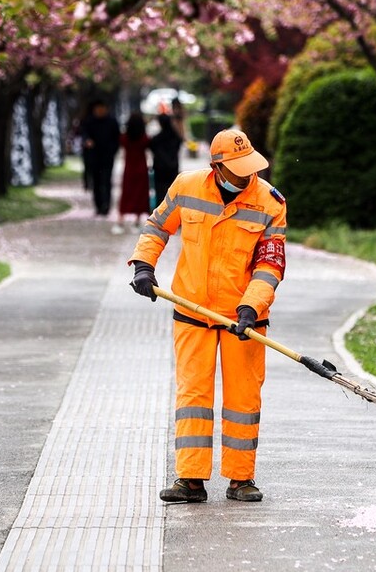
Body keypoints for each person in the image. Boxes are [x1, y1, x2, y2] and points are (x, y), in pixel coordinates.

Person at [127, 128, 287, 503]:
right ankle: (191, 479)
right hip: (192, 312)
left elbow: (270, 264)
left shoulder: (270, 202)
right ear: (217, 166)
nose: (247, 174)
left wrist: (252, 305)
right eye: (238, 168)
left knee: (243, 400)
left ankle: (241, 479)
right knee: (193, 395)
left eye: (250, 166)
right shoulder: (186, 187)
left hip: (244, 319)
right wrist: (143, 266)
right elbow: (156, 227)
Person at [80, 99, 120, 217]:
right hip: (94, 157)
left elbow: (116, 139)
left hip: (107, 156)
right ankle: (98, 206)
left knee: (107, 181)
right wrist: (87, 142)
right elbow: (84, 135)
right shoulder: (89, 121)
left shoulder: (112, 122)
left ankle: (106, 205)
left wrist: (112, 150)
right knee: (96, 182)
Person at [115, 111, 151, 233]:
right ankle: (136, 222)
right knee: (140, 195)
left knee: (126, 194)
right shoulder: (144, 138)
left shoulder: (125, 138)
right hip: (141, 169)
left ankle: (120, 221)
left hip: (129, 169)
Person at [147, 113, 182, 206]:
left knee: (160, 192)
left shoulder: (156, 139)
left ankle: (161, 213)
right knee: (173, 191)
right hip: (173, 168)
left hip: (160, 169)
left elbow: (151, 147)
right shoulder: (175, 137)